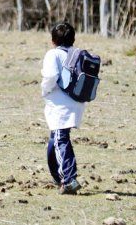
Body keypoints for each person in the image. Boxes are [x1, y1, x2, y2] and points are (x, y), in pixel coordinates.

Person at [41, 22, 83, 195]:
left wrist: (45, 89)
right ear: (73, 39)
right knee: (55, 139)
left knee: (60, 139)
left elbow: (51, 76)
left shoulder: (53, 54)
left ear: (53, 41)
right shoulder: (77, 54)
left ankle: (69, 179)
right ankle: (58, 176)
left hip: (60, 105)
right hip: (77, 101)